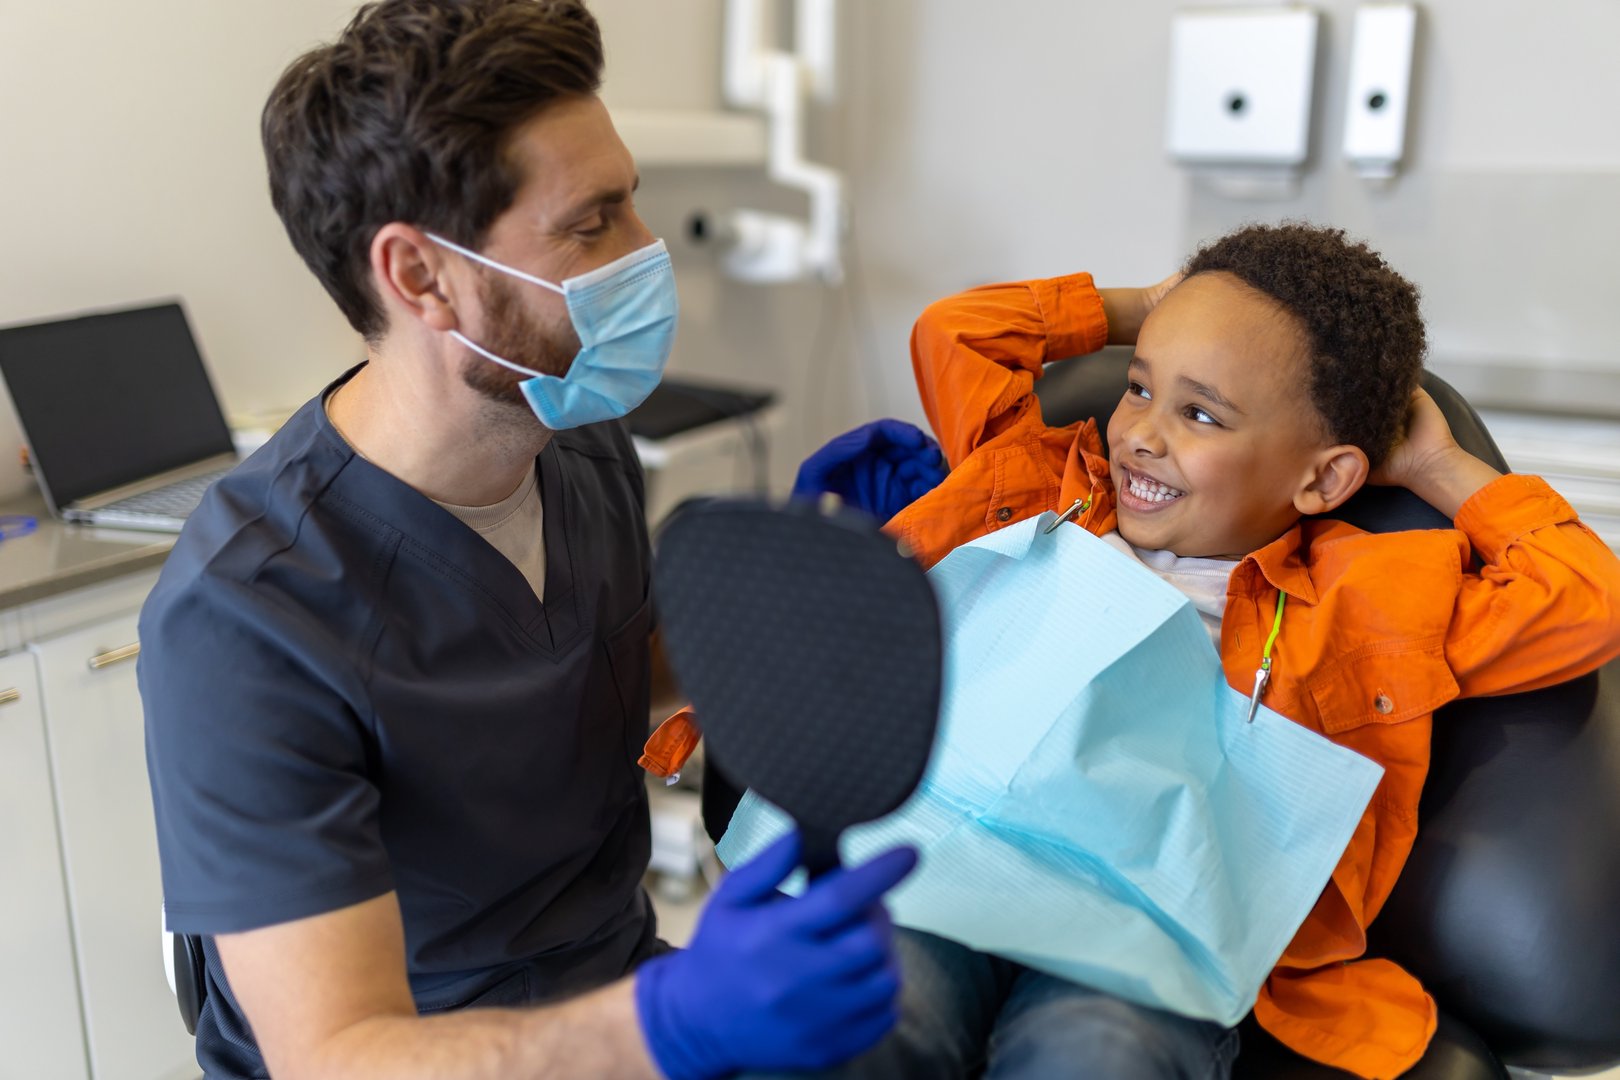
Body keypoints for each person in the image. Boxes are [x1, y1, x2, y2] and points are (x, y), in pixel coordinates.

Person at [138, 3, 920, 1079]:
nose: (646, 254)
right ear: (421, 276)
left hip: (615, 995)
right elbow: (339, 1057)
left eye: (631, 201)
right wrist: (670, 1021)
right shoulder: (246, 614)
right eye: (592, 226)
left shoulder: (577, 440)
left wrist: (802, 568)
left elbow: (585, 682)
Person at [658, 222, 1620, 1079]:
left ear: (1324, 479)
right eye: (1138, 387)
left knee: (1096, 1054)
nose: (1142, 436)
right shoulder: (1037, 480)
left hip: (1150, 931)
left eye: (1201, 414)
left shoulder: (1364, 603)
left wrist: (1440, 465)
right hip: (942, 869)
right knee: (861, 1021)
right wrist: (1145, 306)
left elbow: (1584, 599)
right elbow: (956, 330)